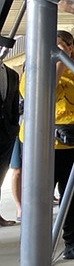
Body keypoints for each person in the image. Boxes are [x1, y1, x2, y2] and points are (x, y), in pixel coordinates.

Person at [20, 30, 74, 258]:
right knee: (39, 197)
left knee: (72, 195)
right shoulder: (33, 73)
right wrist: (60, 64)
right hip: (43, 145)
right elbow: (44, 93)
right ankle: (35, 247)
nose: (55, 51)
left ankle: (72, 243)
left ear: (72, 47)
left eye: (62, 46)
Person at [0, 62, 20, 226]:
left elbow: (13, 103)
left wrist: (14, 127)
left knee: (1, 174)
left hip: (6, 132)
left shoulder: (12, 74)